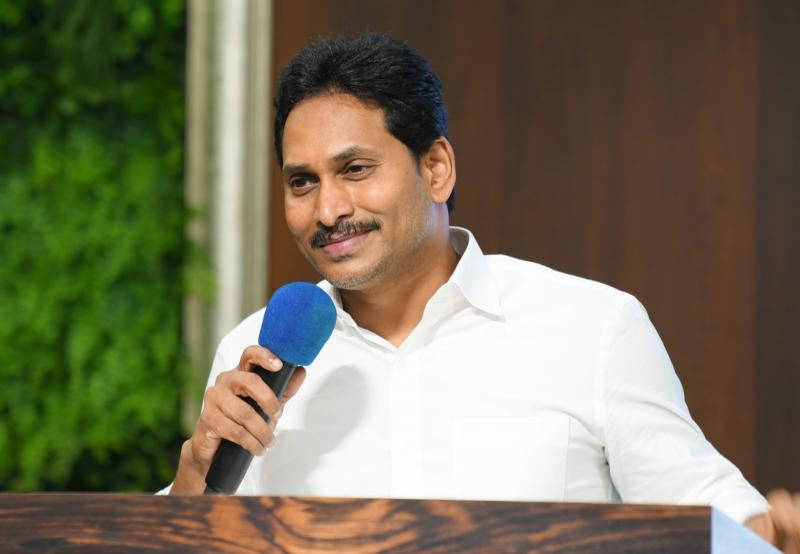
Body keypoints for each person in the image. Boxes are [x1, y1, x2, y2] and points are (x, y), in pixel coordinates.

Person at [167, 33, 800, 550]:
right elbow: (181, 539)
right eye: (302, 182)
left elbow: (706, 508)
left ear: (436, 168)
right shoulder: (255, 353)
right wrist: (196, 477)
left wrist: (769, 537)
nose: (328, 209)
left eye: (355, 169)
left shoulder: (593, 327)